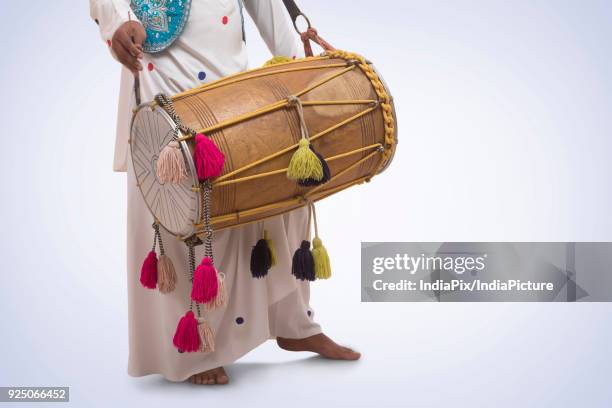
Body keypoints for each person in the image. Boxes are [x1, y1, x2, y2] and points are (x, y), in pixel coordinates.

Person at [90, 0, 360, 385]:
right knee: (185, 211)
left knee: (274, 189)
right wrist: (119, 21)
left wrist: (302, 70)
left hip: (231, 79)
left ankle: (294, 324)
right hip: (164, 73)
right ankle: (197, 349)